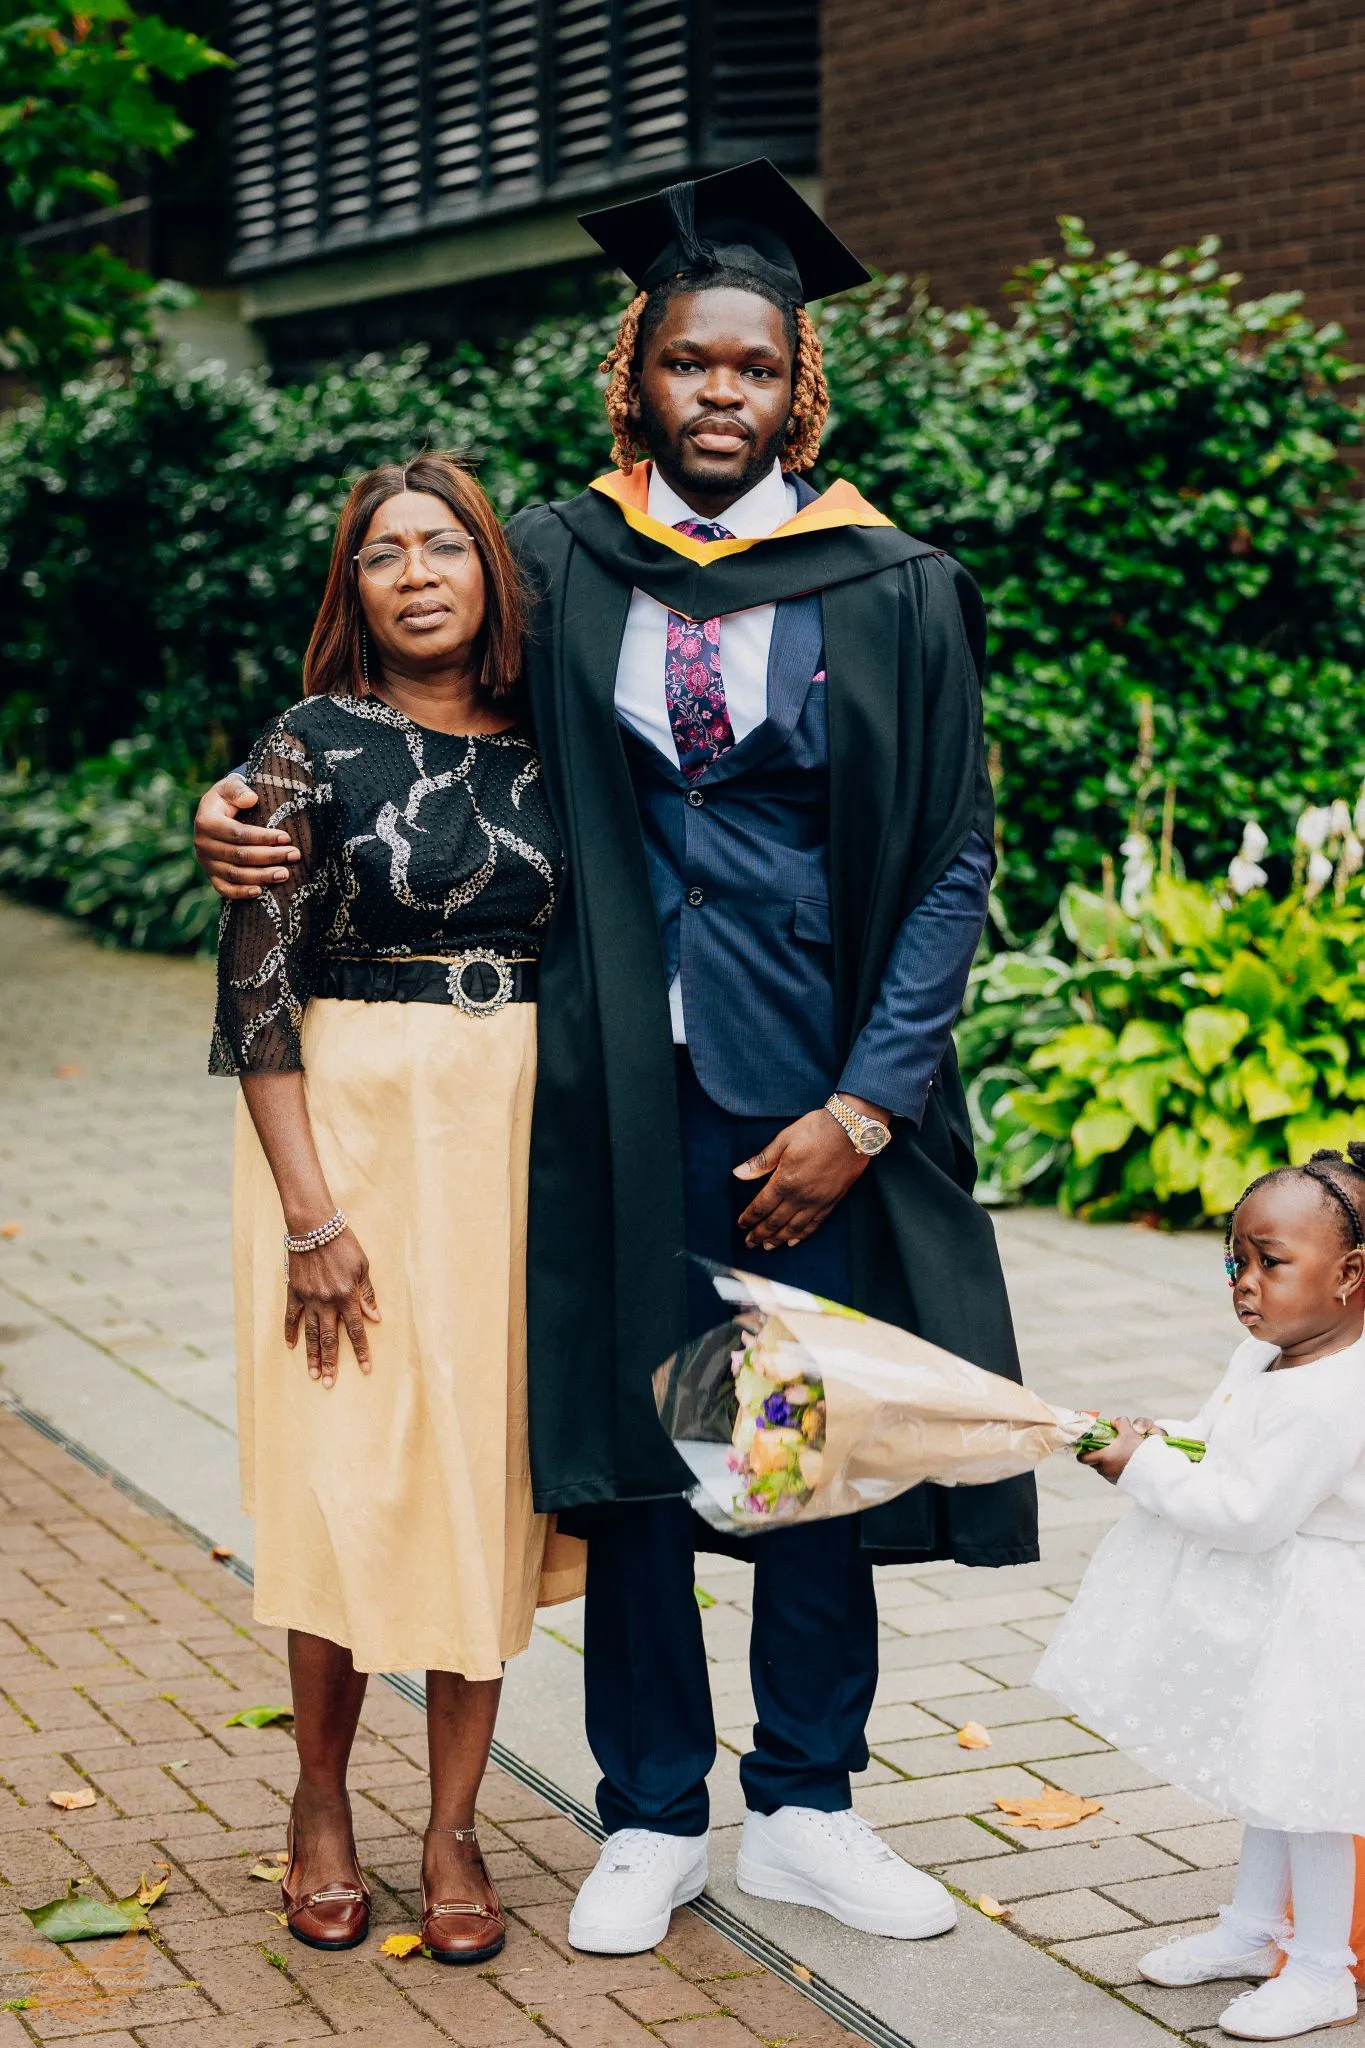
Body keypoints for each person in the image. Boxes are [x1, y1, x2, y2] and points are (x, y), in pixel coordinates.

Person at [194, 159, 1037, 1957]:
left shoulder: (895, 583)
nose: (717, 393)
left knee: (800, 1437)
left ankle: (805, 1800)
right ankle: (651, 1809)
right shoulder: (561, 562)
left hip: (810, 1086)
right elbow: (408, 703)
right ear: (635, 377)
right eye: (685, 362)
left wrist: (865, 1103)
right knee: (635, 1444)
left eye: (752, 367)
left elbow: (952, 858)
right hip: (595, 1082)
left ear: (797, 388)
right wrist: (245, 806)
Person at [210, 453, 583, 1962]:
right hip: (351, 1129)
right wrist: (311, 1218)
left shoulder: (559, 739)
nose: (418, 575)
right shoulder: (308, 744)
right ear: (351, 589)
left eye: (445, 547)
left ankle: (454, 1823)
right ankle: (319, 1799)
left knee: (485, 1474)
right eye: (384, 554)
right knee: (347, 1469)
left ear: (494, 570)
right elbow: (255, 994)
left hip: (517, 1135)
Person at [1037, 1149, 1365, 2042]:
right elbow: (1227, 1445)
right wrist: (1165, 1439)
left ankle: (1321, 1970)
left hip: (1323, 1620)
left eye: (1270, 1262)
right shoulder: (1269, 1355)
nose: (1245, 1284)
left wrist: (1138, 1468)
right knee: (1271, 1778)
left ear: (1348, 1274)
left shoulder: (1335, 1395)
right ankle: (1254, 1929)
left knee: (1309, 1796)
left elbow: (1249, 1512)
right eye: (1234, 1262)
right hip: (1278, 1610)